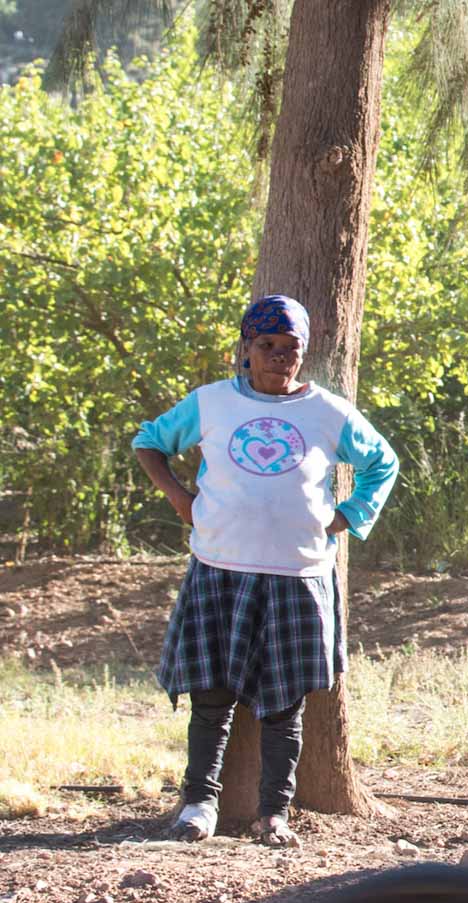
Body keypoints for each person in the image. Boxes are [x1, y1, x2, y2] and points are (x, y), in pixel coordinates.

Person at [133, 294, 400, 848]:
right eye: (267, 346)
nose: (279, 357)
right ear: (246, 350)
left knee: (283, 704)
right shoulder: (210, 404)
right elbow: (149, 443)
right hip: (219, 567)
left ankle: (274, 813)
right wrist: (182, 500)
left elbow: (383, 462)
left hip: (297, 575)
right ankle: (199, 805)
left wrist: (348, 516)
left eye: (291, 348)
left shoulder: (327, 411)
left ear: (303, 354)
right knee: (211, 699)